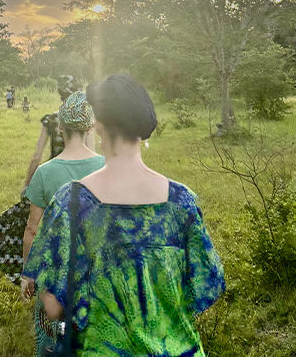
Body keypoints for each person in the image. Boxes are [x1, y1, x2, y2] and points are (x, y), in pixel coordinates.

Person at [23, 74, 225, 356]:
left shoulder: (71, 202)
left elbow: (54, 308)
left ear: (99, 125)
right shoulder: (183, 201)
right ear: (141, 129)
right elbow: (207, 287)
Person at [20, 91, 104, 357]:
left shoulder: (46, 172)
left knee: (51, 340)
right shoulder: (106, 166)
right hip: (97, 271)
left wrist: (27, 274)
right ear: (90, 126)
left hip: (54, 272)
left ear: (59, 128)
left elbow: (32, 228)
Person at [23, 74, 84, 187]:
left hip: (54, 176)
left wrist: (27, 185)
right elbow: (91, 151)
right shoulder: (84, 121)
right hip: (79, 179)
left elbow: (37, 157)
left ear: (60, 94)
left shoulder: (51, 119)